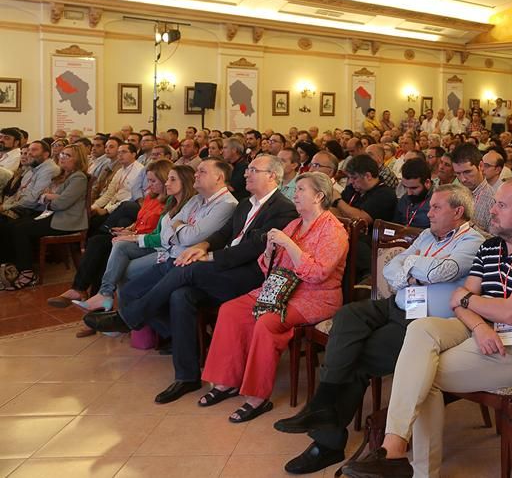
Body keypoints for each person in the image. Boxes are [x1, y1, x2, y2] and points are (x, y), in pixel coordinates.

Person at [339, 177, 512, 478]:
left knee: (424, 374)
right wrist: (480, 325)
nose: (491, 210)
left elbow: (509, 312)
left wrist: (471, 300)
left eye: (501, 204)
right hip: (479, 331)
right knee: (421, 329)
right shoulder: (490, 248)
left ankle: (407, 463)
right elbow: (457, 304)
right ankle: (394, 451)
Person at [276, 185, 484, 474]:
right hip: (395, 304)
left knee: (357, 358)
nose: (429, 212)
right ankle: (323, 406)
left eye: (436, 207)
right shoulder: (426, 235)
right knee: (347, 315)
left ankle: (327, 441)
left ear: (458, 211)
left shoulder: (474, 242)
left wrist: (409, 263)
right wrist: (412, 266)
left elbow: (441, 272)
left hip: (422, 322)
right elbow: (391, 270)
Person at [84, 157, 296, 405]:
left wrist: (209, 256)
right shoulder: (246, 203)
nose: (246, 174)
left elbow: (254, 248)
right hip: (225, 269)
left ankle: (129, 317)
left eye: (253, 170)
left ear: (272, 176)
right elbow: (224, 233)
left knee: (186, 267)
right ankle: (187, 376)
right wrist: (203, 245)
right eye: (247, 169)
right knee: (179, 294)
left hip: (250, 275)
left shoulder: (282, 208)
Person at [199, 173, 349, 423]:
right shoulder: (296, 223)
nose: (295, 194)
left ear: (319, 196)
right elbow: (268, 267)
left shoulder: (334, 231)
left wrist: (289, 244)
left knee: (268, 321)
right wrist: (270, 250)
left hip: (314, 296)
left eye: (301, 190)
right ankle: (227, 381)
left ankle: (257, 397)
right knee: (232, 310)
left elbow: (318, 274)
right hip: (280, 289)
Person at [49, 159, 173, 310]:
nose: (148, 185)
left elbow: (157, 231)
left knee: (102, 245)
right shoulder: (151, 197)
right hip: (135, 235)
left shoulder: (170, 202)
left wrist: (132, 235)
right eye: (148, 180)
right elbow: (141, 220)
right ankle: (92, 300)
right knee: (99, 245)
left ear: (165, 179)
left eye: (153, 181)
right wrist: (129, 228)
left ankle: (87, 295)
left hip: (145, 242)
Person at [0, 143, 90, 289]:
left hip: (67, 221)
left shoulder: (78, 178)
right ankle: (13, 266)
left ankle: (27, 273)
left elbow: (60, 204)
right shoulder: (65, 176)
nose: (62, 157)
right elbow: (46, 196)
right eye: (62, 154)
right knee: (14, 225)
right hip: (53, 215)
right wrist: (50, 197)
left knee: (21, 229)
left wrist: (49, 198)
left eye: (67, 155)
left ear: (78, 159)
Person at [450, 144, 495, 233]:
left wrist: (469, 226)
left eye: (467, 172)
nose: (463, 179)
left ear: (481, 166)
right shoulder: (454, 194)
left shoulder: (493, 200)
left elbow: (497, 242)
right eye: (458, 174)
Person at [394, 158, 433, 229]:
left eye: (414, 188)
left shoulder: (437, 203)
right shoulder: (404, 199)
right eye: (406, 187)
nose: (409, 193)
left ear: (427, 183)